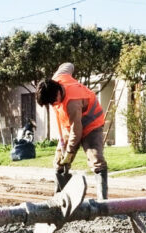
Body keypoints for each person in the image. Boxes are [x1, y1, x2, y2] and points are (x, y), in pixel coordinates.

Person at [35, 63, 108, 200]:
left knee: (96, 159)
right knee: (59, 162)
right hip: (70, 126)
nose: (53, 105)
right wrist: (64, 158)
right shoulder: (58, 78)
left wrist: (69, 152)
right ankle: (60, 197)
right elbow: (68, 65)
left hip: (91, 124)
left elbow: (77, 131)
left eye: (53, 102)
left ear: (58, 92)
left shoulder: (72, 103)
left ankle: (103, 201)